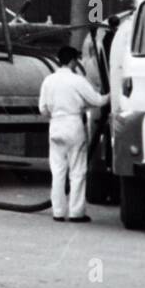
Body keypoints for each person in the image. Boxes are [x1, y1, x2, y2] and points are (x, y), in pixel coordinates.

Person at [38, 45, 109, 222]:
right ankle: (76, 212)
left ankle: (58, 212)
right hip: (73, 125)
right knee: (77, 171)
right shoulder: (77, 80)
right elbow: (97, 101)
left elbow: (43, 109)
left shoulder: (49, 80)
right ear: (72, 61)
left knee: (57, 171)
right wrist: (111, 94)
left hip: (55, 125)